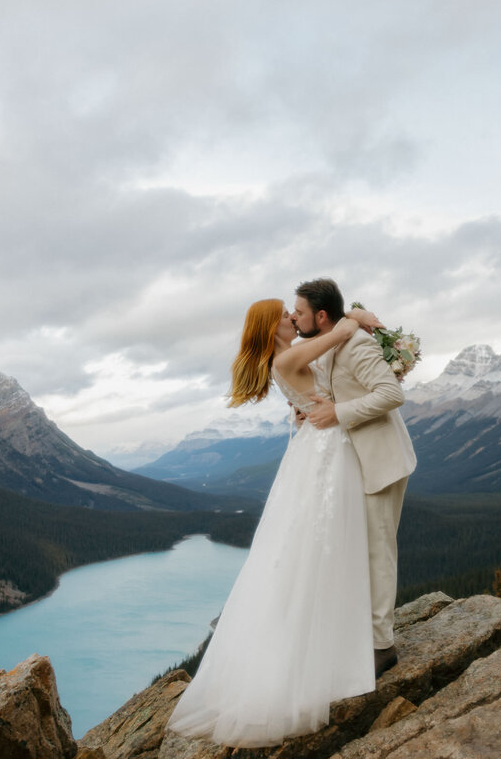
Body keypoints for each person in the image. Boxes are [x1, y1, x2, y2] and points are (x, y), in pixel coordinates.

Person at [165, 298, 385, 748]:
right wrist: (358, 317)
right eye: (285, 313)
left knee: (308, 546)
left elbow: (317, 375)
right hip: (327, 451)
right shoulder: (286, 355)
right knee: (327, 545)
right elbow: (340, 334)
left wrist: (307, 407)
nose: (292, 317)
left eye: (292, 310)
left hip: (315, 445)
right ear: (272, 326)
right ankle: (332, 653)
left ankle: (325, 645)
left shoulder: (283, 358)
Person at [291, 278, 416, 677]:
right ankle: (365, 632)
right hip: (353, 462)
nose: (294, 319)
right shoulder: (327, 346)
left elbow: (391, 395)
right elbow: (333, 392)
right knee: (358, 550)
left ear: (321, 316)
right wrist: (315, 410)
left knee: (378, 552)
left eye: (300, 313)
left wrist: (338, 413)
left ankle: (382, 647)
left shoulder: (356, 344)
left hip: (380, 461)